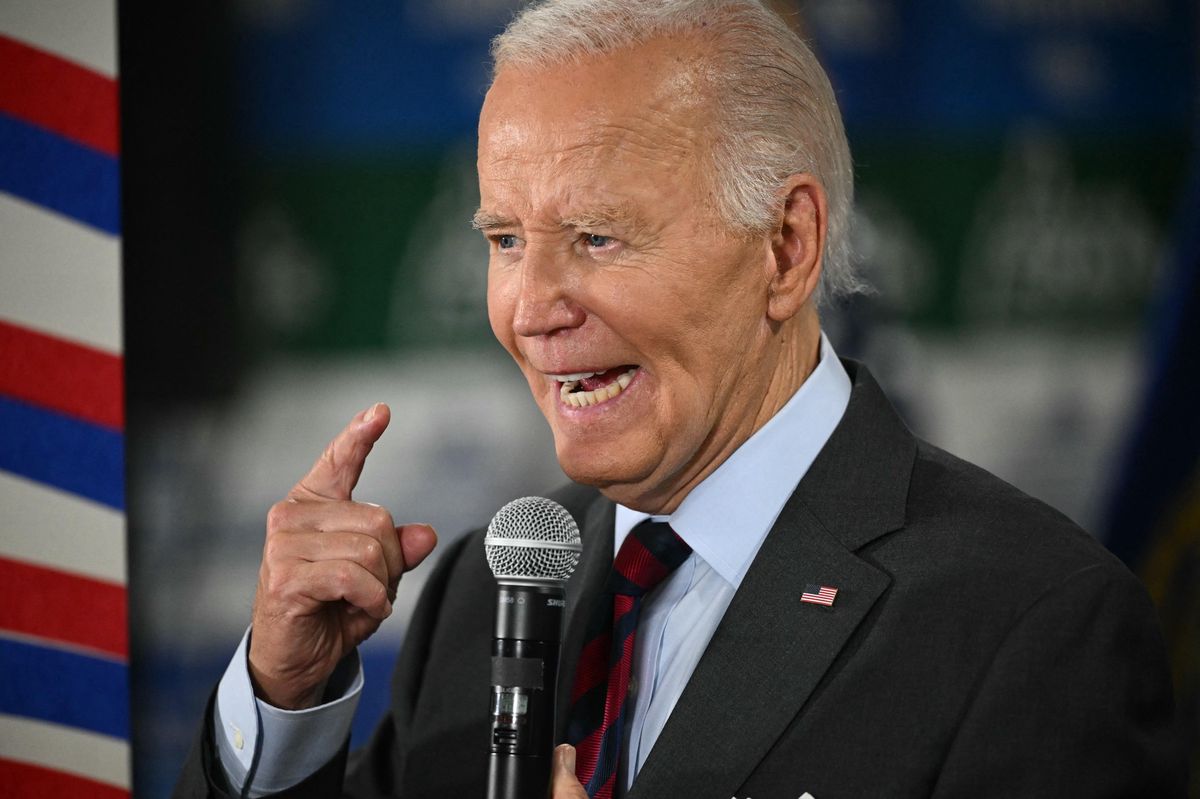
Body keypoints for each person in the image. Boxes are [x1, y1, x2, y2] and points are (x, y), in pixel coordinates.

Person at [175, 1, 1188, 796]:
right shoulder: (485, 595)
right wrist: (284, 698)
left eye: (599, 238)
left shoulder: (1031, 627)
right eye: (504, 241)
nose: (531, 309)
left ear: (786, 248)